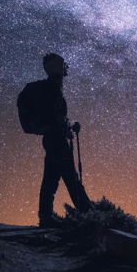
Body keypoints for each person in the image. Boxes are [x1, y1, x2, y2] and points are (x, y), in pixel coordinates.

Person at [34, 53, 92, 227]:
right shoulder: (52, 89)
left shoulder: (51, 89)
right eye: (62, 66)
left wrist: (68, 126)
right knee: (70, 179)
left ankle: (46, 216)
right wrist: (66, 128)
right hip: (57, 141)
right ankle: (88, 214)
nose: (65, 70)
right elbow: (55, 117)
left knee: (52, 179)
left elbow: (56, 117)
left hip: (53, 140)